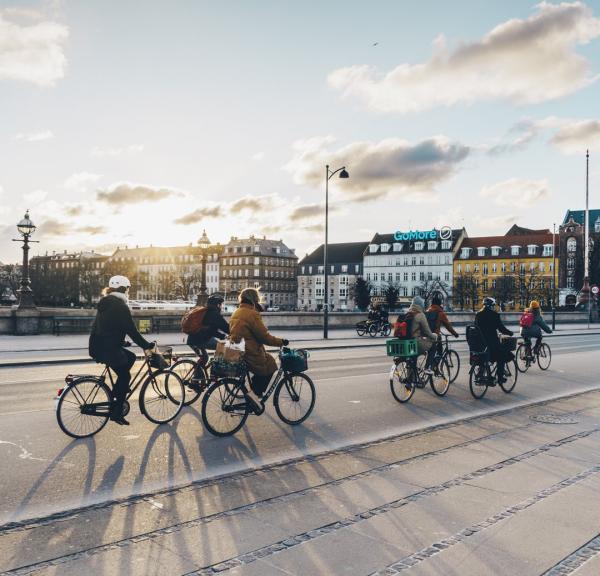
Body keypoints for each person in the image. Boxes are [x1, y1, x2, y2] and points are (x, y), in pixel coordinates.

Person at [89, 275, 154, 425]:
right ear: (123, 288)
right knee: (125, 376)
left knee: (130, 358)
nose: (128, 292)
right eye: (127, 289)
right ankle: (117, 411)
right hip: (108, 349)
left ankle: (118, 392)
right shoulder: (120, 305)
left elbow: (107, 327)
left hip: (98, 346)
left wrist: (121, 342)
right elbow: (132, 330)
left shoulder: (105, 303)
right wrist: (146, 345)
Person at [229, 288, 289, 414]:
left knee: (262, 366)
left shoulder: (237, 311)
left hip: (236, 350)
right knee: (270, 363)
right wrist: (281, 341)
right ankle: (255, 396)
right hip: (249, 352)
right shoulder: (252, 314)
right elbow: (264, 337)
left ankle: (253, 394)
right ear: (254, 299)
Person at [475, 296, 514, 384]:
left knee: (486, 355)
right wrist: (510, 333)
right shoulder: (494, 315)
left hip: (480, 343)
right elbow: (501, 328)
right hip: (492, 344)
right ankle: (500, 377)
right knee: (502, 356)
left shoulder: (478, 314)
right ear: (491, 306)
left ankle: (481, 372)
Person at [187, 294, 230, 364]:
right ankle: (216, 369)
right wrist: (235, 333)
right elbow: (226, 328)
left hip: (193, 339)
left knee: (204, 358)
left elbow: (211, 331)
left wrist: (223, 336)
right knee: (222, 348)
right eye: (221, 304)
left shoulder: (206, 312)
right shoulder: (214, 314)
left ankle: (198, 374)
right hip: (200, 340)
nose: (221, 307)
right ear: (217, 304)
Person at [404, 296, 437, 376]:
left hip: (407, 343)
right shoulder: (420, 315)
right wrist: (434, 336)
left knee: (413, 355)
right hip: (416, 343)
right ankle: (427, 367)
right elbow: (427, 331)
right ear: (421, 305)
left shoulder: (407, 313)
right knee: (433, 346)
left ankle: (411, 377)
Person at [425, 294, 459, 371]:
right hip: (436, 336)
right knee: (439, 352)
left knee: (430, 351)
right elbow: (448, 325)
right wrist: (455, 334)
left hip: (427, 335)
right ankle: (435, 365)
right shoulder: (440, 313)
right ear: (439, 304)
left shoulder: (427, 311)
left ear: (432, 303)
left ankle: (431, 364)